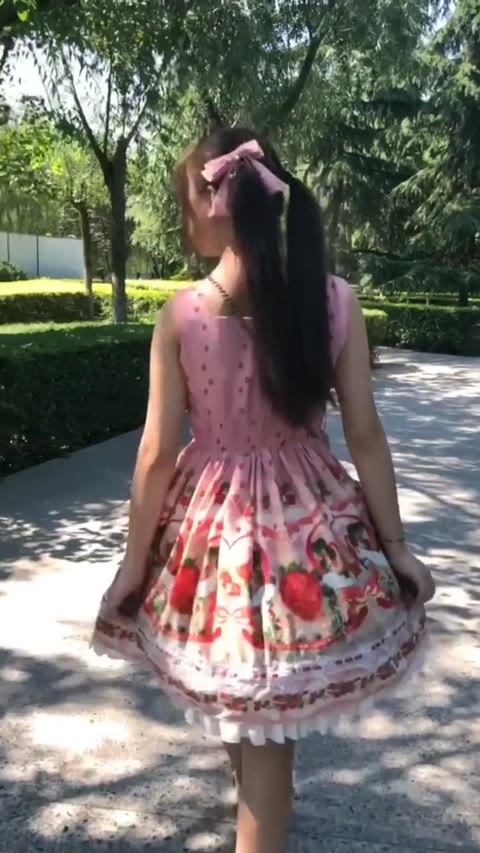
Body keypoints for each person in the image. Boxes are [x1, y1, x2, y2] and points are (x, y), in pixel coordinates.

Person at [92, 128, 435, 853]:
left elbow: (156, 455)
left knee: (254, 708)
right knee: (254, 703)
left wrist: (133, 564)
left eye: (185, 204)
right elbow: (365, 434)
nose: (182, 221)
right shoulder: (335, 301)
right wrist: (396, 546)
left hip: (213, 533)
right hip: (309, 529)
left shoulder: (182, 316)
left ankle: (262, 821)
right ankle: (264, 808)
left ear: (214, 207)